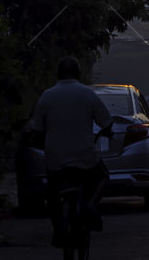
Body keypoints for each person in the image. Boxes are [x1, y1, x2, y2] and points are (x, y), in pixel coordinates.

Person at [30, 56, 113, 244]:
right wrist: (107, 132)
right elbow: (106, 122)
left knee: (51, 194)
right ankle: (91, 205)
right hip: (85, 156)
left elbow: (37, 129)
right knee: (104, 177)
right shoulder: (87, 94)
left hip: (55, 158)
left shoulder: (47, 96)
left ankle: (58, 229)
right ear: (78, 73)